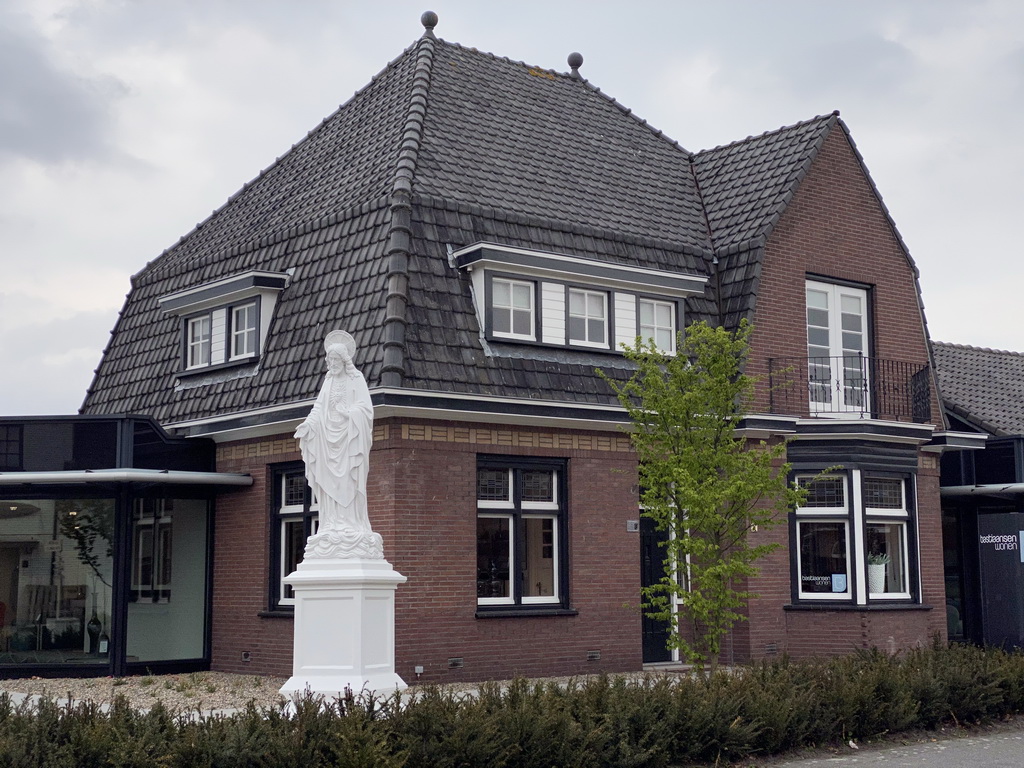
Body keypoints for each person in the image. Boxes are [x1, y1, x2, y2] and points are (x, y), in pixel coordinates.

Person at [295, 331, 382, 559]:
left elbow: (366, 410)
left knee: (349, 483)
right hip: (327, 442)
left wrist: (349, 414)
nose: (331, 364)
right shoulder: (328, 381)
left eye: (335, 360)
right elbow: (318, 408)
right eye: (329, 361)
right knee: (329, 487)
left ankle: (351, 525)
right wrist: (308, 425)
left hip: (349, 442)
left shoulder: (356, 379)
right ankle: (331, 525)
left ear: (344, 360)